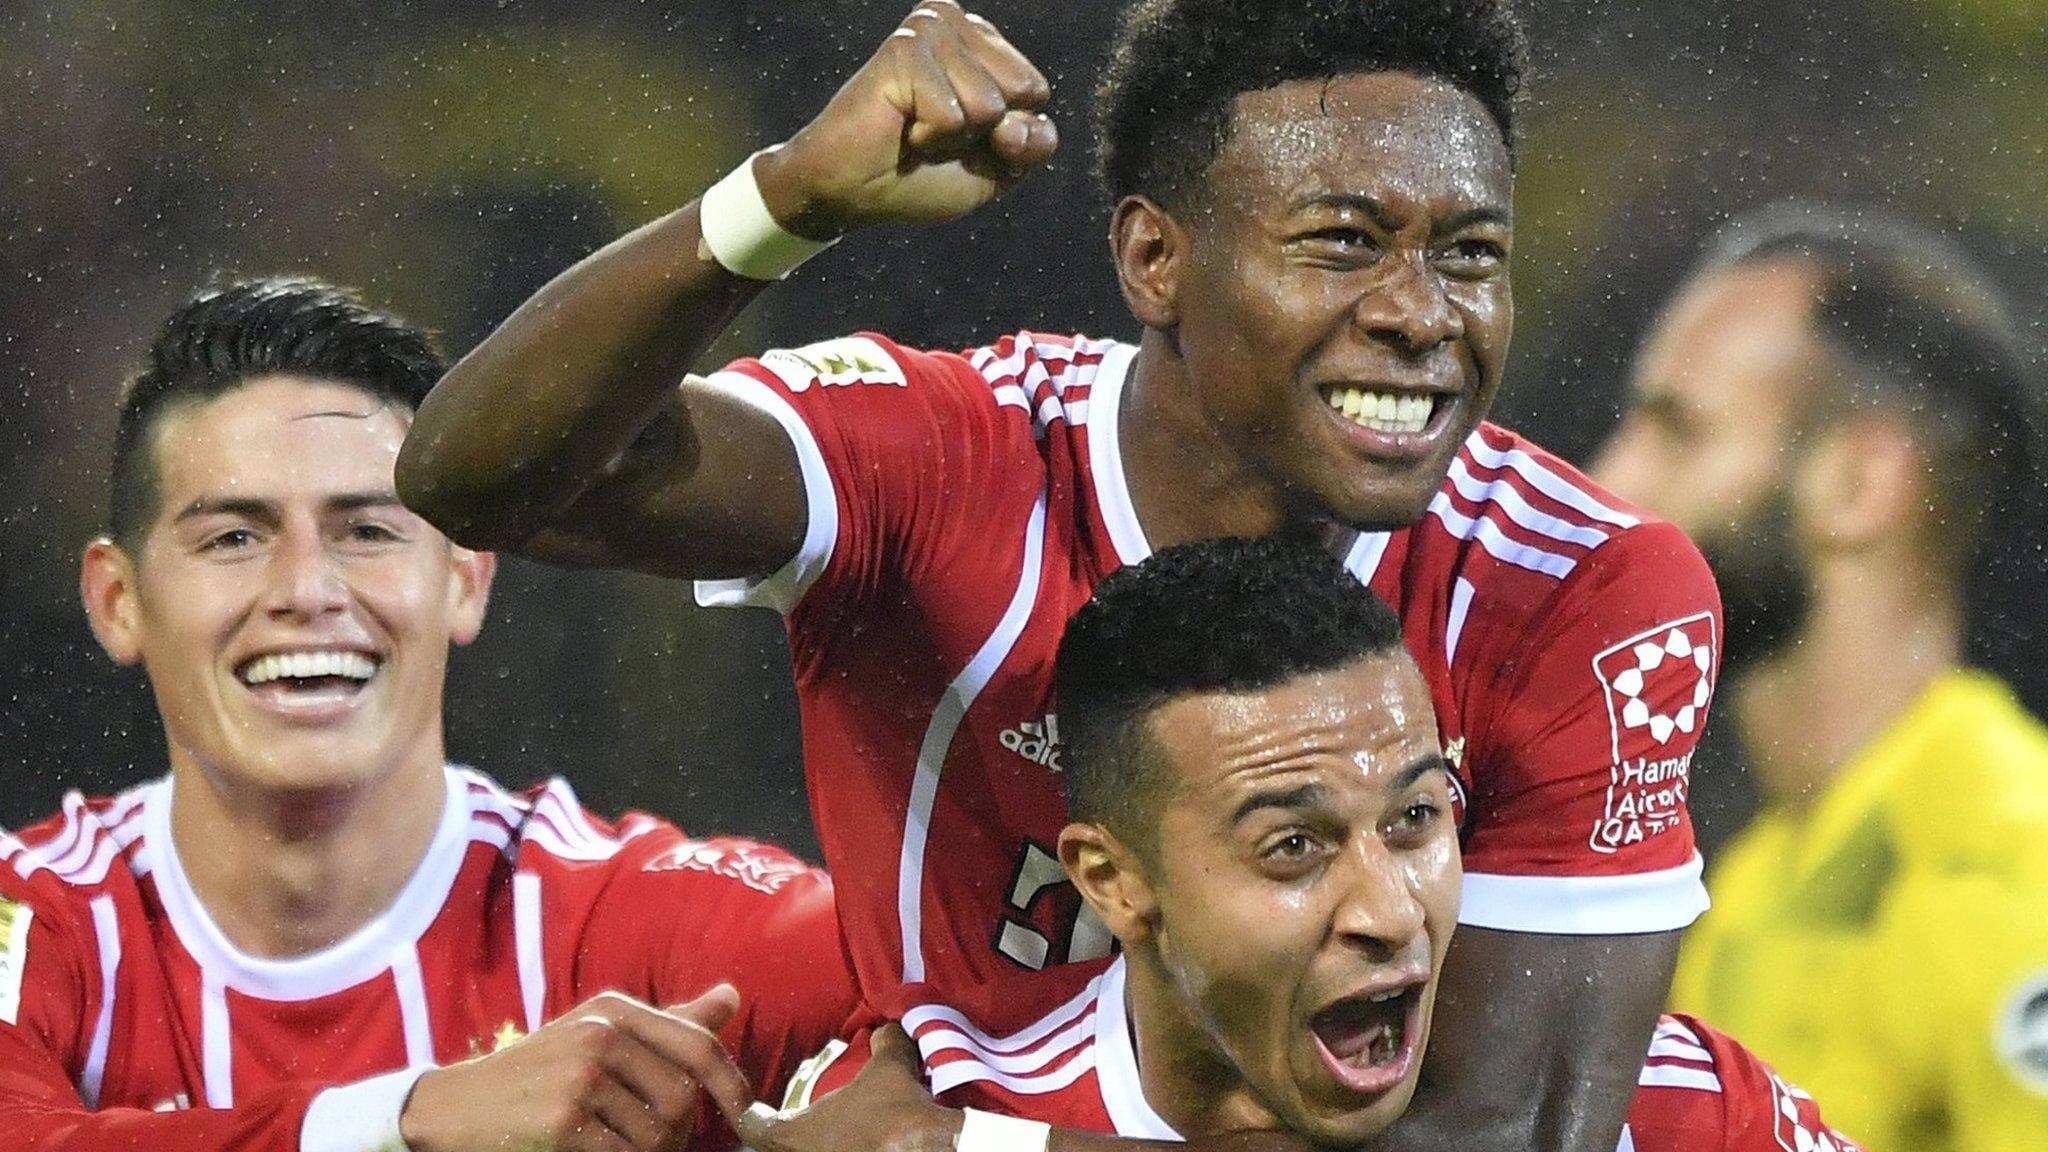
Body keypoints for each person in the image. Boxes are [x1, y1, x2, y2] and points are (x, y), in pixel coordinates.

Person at [396, 2, 1722, 1148]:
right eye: (1343, 242)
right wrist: (780, 202)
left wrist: (976, 1148)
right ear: (1156, 260)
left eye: (1470, 254)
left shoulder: (1587, 588)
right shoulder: (942, 464)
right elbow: (478, 480)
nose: (1421, 313)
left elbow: (1496, 1140)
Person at [0, 278, 852, 1152]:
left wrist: (878, 1083)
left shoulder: (622, 921)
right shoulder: (39, 921)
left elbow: (938, 998)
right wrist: (407, 1121)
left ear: (465, 580)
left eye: (366, 531)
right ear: (118, 601)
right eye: (234, 538)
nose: (306, 591)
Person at [731, 538, 1859, 1152]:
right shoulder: (922, 1100)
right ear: (1113, 881)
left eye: (1417, 820)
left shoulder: (1679, 1109)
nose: (1387, 911)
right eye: (1291, 849)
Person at [1592, 204, 2048, 1152]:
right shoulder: (1748, 890)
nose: (1609, 482)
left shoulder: (2016, 872)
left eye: (1678, 431)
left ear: (1858, 486)